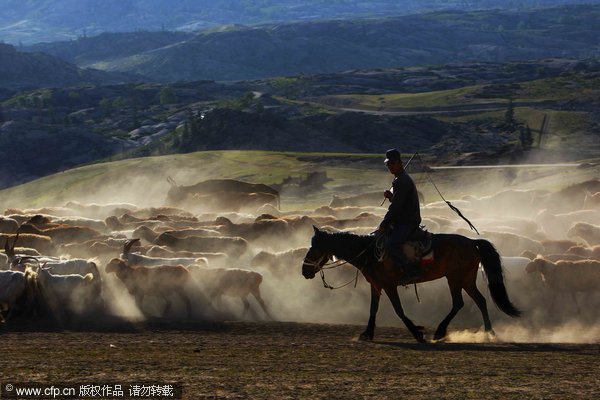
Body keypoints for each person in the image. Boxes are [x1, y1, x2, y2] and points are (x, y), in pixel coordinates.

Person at [377, 148, 422, 280]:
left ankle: (410, 271)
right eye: (388, 164)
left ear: (400, 163)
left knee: (391, 244)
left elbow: (396, 208)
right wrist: (391, 197)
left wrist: (384, 222)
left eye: (392, 163)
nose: (390, 166)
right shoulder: (400, 179)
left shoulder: (401, 181)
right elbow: (400, 201)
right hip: (405, 218)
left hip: (408, 221)